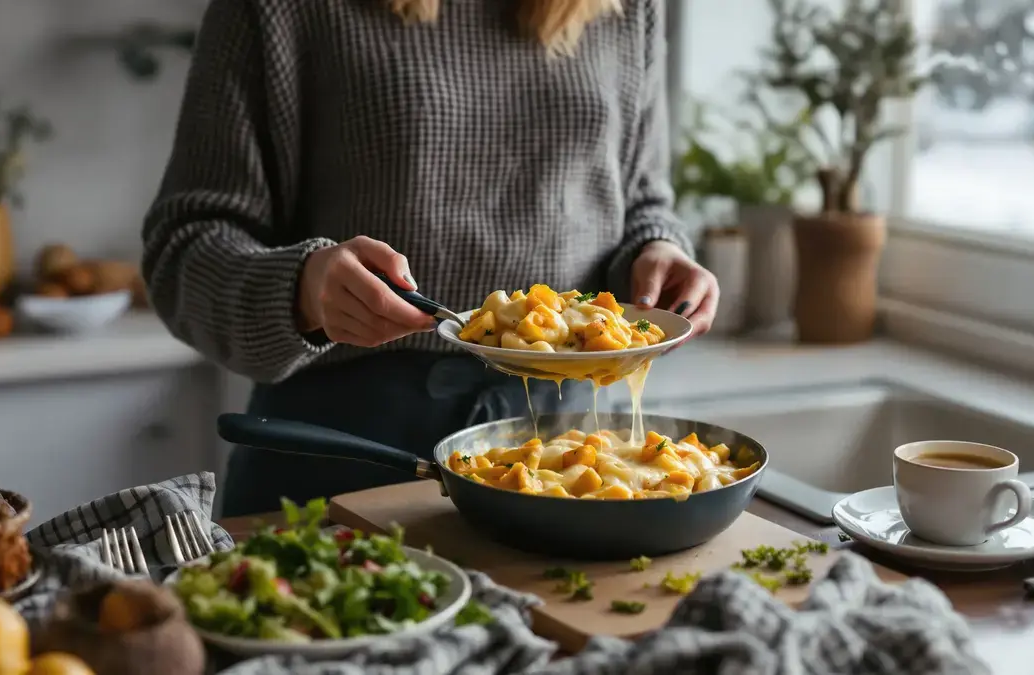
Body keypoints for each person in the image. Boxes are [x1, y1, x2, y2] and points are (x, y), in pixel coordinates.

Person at [142, 0, 720, 518]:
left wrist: (657, 251)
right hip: (342, 462)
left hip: (572, 458)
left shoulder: (628, 7)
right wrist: (301, 288)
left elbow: (639, 197)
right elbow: (183, 247)